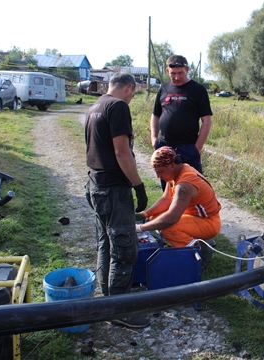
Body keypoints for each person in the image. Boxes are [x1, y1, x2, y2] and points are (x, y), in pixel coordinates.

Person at [84, 73, 150, 329]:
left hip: (95, 184)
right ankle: (119, 309)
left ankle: (105, 302)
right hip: (113, 188)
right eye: (133, 94)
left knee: (105, 244)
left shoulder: (94, 106)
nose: (132, 98)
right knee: (124, 248)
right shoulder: (118, 106)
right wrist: (139, 186)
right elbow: (121, 151)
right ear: (129, 89)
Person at [136, 146, 221, 266]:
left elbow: (172, 218)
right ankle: (191, 244)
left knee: (167, 226)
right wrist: (145, 214)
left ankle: (196, 254)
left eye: (160, 171)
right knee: (154, 218)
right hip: (195, 217)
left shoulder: (185, 184)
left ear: (171, 165)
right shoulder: (177, 171)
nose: (158, 176)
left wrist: (140, 228)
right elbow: (165, 200)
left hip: (209, 222)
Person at [150, 55, 213, 189]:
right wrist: (154, 138)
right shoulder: (163, 89)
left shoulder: (198, 89)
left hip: (188, 147)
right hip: (164, 146)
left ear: (187, 70)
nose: (177, 77)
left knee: (193, 187)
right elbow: (155, 115)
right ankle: (171, 209)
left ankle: (191, 211)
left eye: (180, 73)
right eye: (173, 74)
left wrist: (197, 148)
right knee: (168, 188)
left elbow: (206, 120)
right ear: (167, 71)